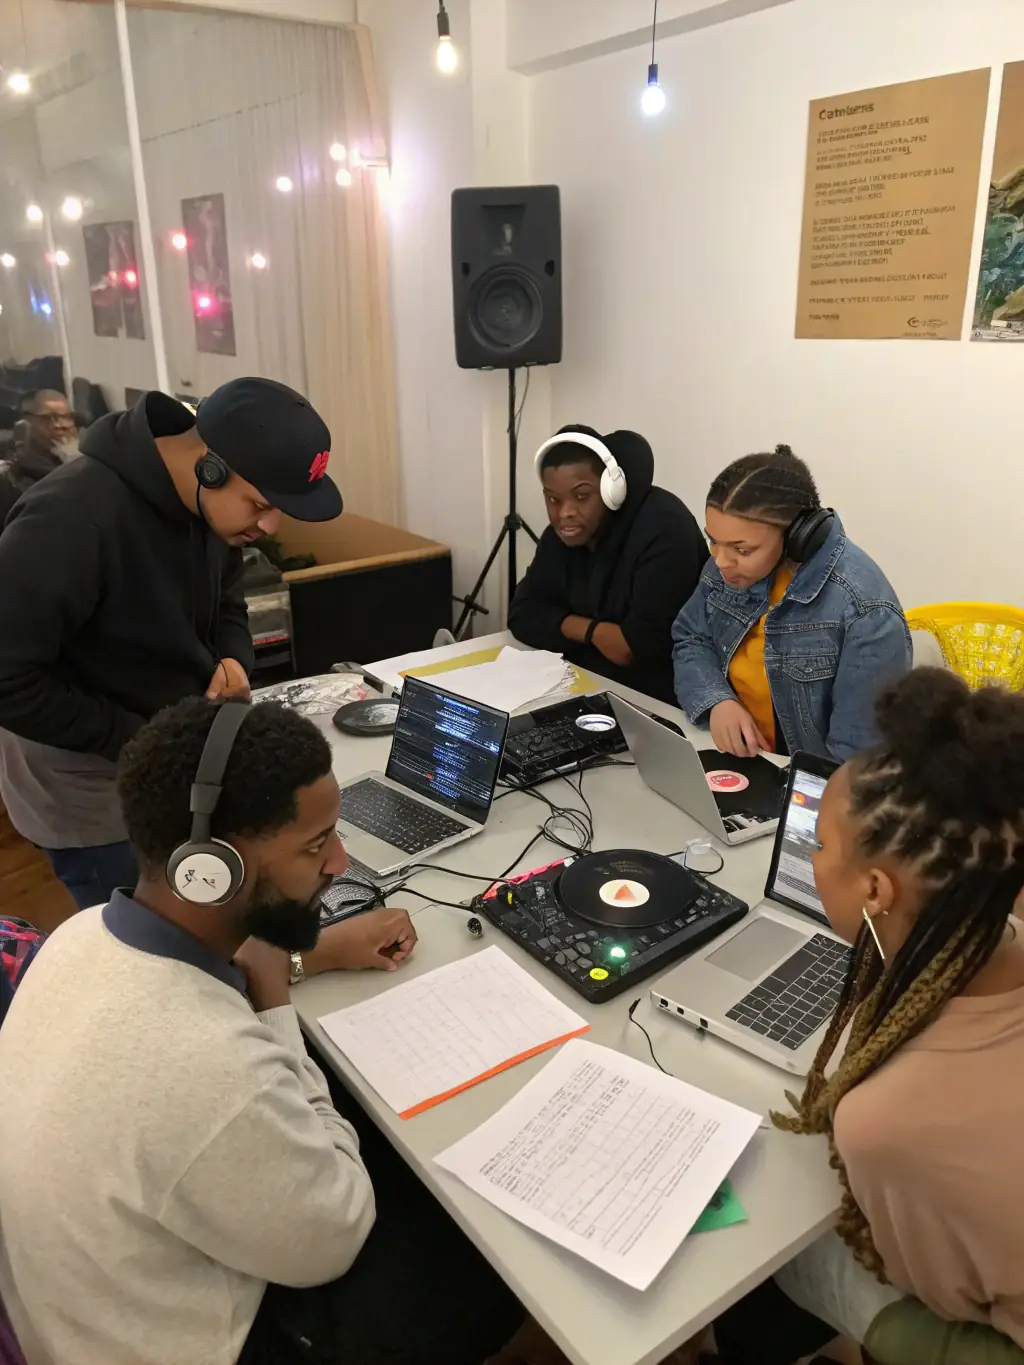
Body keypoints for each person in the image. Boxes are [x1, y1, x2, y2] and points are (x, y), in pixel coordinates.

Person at [0, 697, 530, 1365]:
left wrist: (308, 956)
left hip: (86, 1301)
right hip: (179, 1341)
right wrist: (277, 1005)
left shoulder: (78, 936)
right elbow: (337, 1232)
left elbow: (204, 993)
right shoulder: (210, 1069)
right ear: (210, 869)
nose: (340, 861)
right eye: (316, 843)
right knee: (487, 1245)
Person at [700, 668, 1024, 1365]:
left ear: (877, 889)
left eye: (816, 846)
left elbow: (935, 1287)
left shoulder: (886, 1121)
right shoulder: (998, 907)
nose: (808, 857)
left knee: (775, 1247)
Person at [0, 378, 340, 910]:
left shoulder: (211, 509)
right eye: (259, 504)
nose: (270, 524)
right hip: (87, 787)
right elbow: (8, 679)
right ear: (209, 466)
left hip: (164, 749)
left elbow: (229, 599)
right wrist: (140, 738)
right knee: (147, 944)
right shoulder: (68, 518)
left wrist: (232, 654)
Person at [671, 445, 910, 762]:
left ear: (798, 536)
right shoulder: (725, 567)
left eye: (742, 550)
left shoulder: (866, 612)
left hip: (806, 785)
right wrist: (718, 702)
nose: (721, 561)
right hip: (736, 758)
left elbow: (856, 761)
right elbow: (691, 637)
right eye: (713, 541)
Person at [508, 425, 708, 703]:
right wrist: (594, 632)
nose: (564, 513)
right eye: (553, 499)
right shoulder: (563, 536)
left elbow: (635, 650)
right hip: (585, 685)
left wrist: (560, 626)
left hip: (662, 703)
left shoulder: (665, 528)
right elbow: (521, 614)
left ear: (611, 489)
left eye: (581, 496)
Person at [0, 389, 79, 524]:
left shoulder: (86, 460)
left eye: (68, 417)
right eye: (49, 418)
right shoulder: (12, 479)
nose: (61, 425)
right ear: (25, 424)